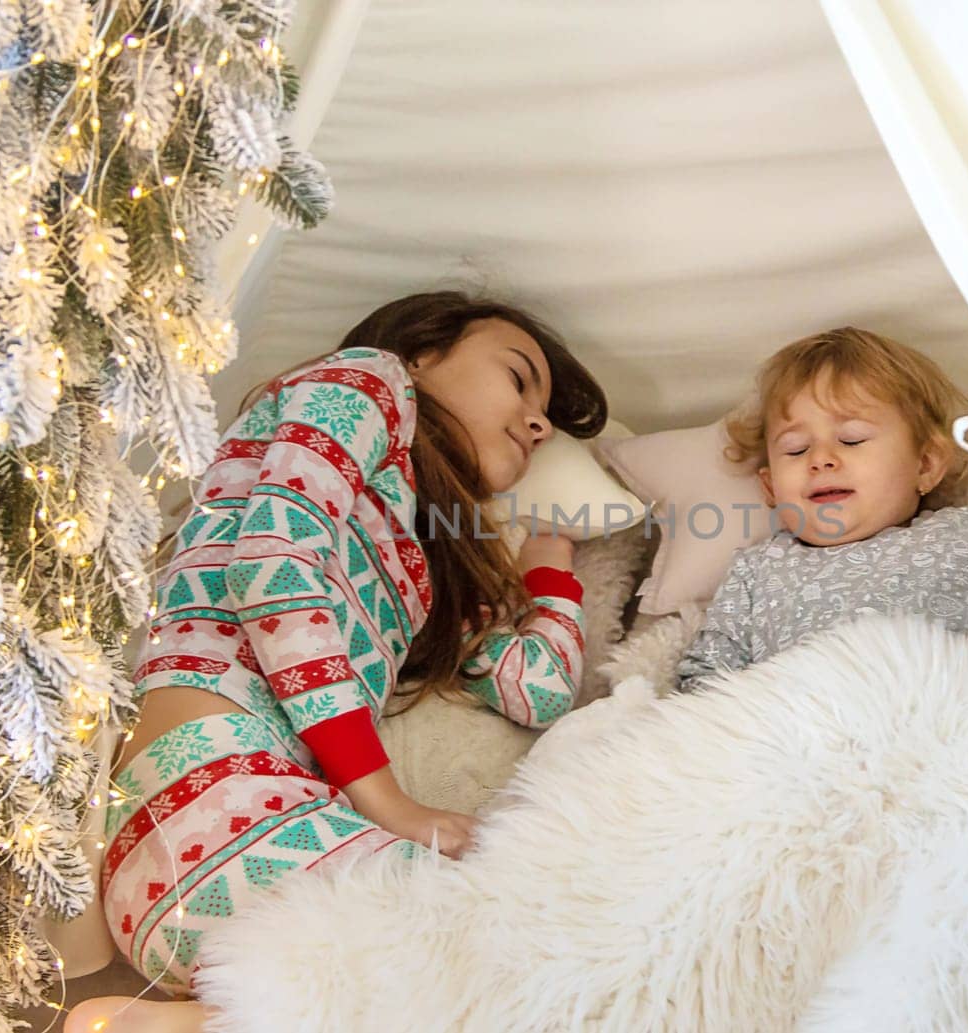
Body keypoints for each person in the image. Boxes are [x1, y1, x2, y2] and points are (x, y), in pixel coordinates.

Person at [68, 291, 607, 1033]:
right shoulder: (367, 382)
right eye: (518, 378)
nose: (539, 422)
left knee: (505, 960)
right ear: (422, 352)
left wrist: (549, 575)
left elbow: (537, 690)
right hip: (208, 795)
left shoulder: (427, 567)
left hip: (230, 845)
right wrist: (389, 803)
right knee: (522, 940)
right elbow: (270, 566)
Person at [674, 326, 968, 696]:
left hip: (955, 713)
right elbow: (705, 685)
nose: (820, 459)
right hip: (809, 742)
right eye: (796, 449)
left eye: (852, 439)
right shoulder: (758, 570)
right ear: (769, 487)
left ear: (925, 465)